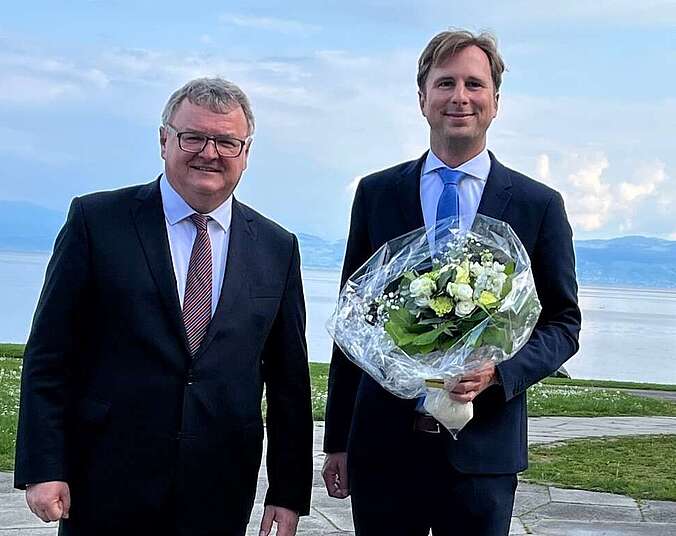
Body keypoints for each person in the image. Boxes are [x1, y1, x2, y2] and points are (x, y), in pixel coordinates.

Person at [15, 77, 313, 536]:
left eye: (226, 141)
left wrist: (288, 491)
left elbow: (289, 379)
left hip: (219, 486)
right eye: (192, 137)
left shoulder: (277, 247)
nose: (208, 152)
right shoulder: (97, 222)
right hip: (105, 481)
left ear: (246, 152)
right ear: (163, 140)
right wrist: (43, 466)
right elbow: (49, 355)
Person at [321, 30, 581, 535]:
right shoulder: (376, 193)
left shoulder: (537, 205)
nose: (459, 97)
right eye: (445, 83)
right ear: (422, 99)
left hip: (483, 453)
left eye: (474, 84)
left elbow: (564, 324)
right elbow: (351, 322)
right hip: (384, 448)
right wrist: (338, 441)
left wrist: (499, 374)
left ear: (496, 101)